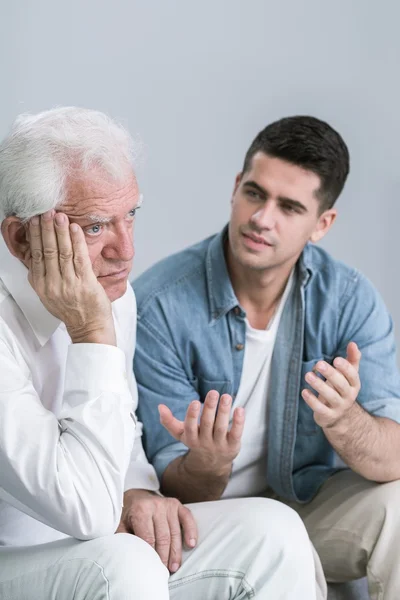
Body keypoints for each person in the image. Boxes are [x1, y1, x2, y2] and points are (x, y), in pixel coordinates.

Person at [0, 107, 320, 600]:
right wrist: (90, 332)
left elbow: (120, 432)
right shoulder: (80, 313)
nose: (125, 250)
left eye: (131, 215)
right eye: (94, 227)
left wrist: (138, 489)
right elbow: (83, 508)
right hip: (13, 560)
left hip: (88, 541)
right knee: (123, 563)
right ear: (22, 238)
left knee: (271, 530)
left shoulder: (114, 297)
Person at [134, 115, 400, 600]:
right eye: (255, 193)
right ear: (236, 187)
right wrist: (210, 463)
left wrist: (345, 421)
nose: (262, 218)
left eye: (289, 207)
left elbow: (393, 455)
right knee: (272, 527)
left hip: (304, 510)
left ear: (322, 224)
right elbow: (174, 488)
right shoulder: (158, 307)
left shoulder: (349, 301)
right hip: (203, 526)